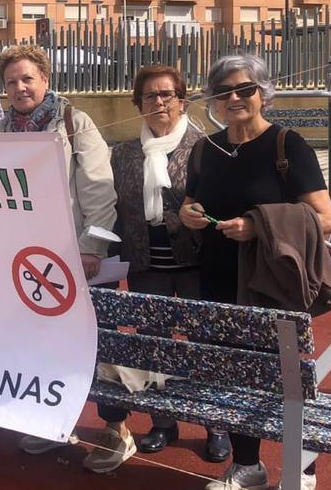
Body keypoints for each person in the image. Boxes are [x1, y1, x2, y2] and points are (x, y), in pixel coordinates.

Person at [180, 54, 331, 490]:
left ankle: (302, 468)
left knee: (283, 377)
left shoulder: (288, 145)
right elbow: (191, 201)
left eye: (244, 88)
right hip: (216, 277)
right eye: (223, 91)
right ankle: (247, 465)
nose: (234, 97)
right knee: (230, 374)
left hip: (270, 281)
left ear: (263, 93)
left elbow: (325, 218)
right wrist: (188, 212)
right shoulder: (204, 149)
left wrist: (257, 226)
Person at [0, 46, 118, 463]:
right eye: (11, 81)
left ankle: (116, 430)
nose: (20, 87)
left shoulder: (73, 122)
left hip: (73, 255)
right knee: (40, 344)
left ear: (45, 79)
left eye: (27, 78)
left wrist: (91, 247)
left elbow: (99, 189)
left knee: (95, 344)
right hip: (26, 259)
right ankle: (52, 421)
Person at [100, 65, 230, 468]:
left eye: (167, 95)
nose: (159, 102)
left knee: (204, 345)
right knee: (154, 345)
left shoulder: (208, 146)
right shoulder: (122, 153)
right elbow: (110, 206)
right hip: (145, 264)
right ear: (137, 104)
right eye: (150, 96)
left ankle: (215, 425)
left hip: (195, 263)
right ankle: (163, 421)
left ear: (182, 99)